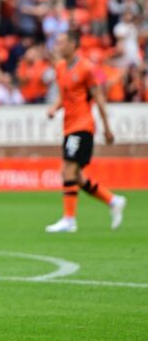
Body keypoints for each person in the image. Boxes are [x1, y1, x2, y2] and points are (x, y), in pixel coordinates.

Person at [45, 31, 126, 233]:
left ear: (73, 45)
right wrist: (55, 108)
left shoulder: (87, 68)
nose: (57, 46)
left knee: (68, 171)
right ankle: (113, 200)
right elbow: (65, 96)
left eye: (61, 42)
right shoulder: (60, 67)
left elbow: (98, 98)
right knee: (77, 177)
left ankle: (69, 220)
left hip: (82, 125)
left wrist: (107, 128)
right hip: (68, 125)